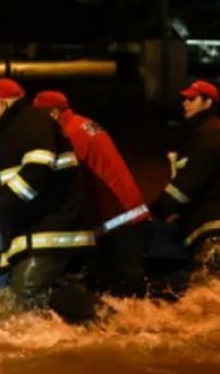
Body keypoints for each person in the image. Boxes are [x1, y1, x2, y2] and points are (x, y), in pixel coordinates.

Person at [0, 78, 97, 320]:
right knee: (34, 295)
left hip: (49, 229)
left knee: (26, 295)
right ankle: (101, 318)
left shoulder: (30, 121)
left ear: (2, 103)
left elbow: (38, 168)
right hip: (43, 229)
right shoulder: (22, 127)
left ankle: (99, 318)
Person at [33, 90, 149, 297]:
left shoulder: (68, 136)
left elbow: (61, 183)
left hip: (115, 220)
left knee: (120, 292)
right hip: (129, 214)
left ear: (52, 113)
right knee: (129, 294)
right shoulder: (84, 124)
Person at [150, 80, 220, 280]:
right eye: (184, 99)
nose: (185, 104)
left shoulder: (210, 135)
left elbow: (189, 181)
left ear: (208, 103)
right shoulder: (212, 132)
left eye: (192, 99)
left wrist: (159, 209)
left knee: (210, 287)